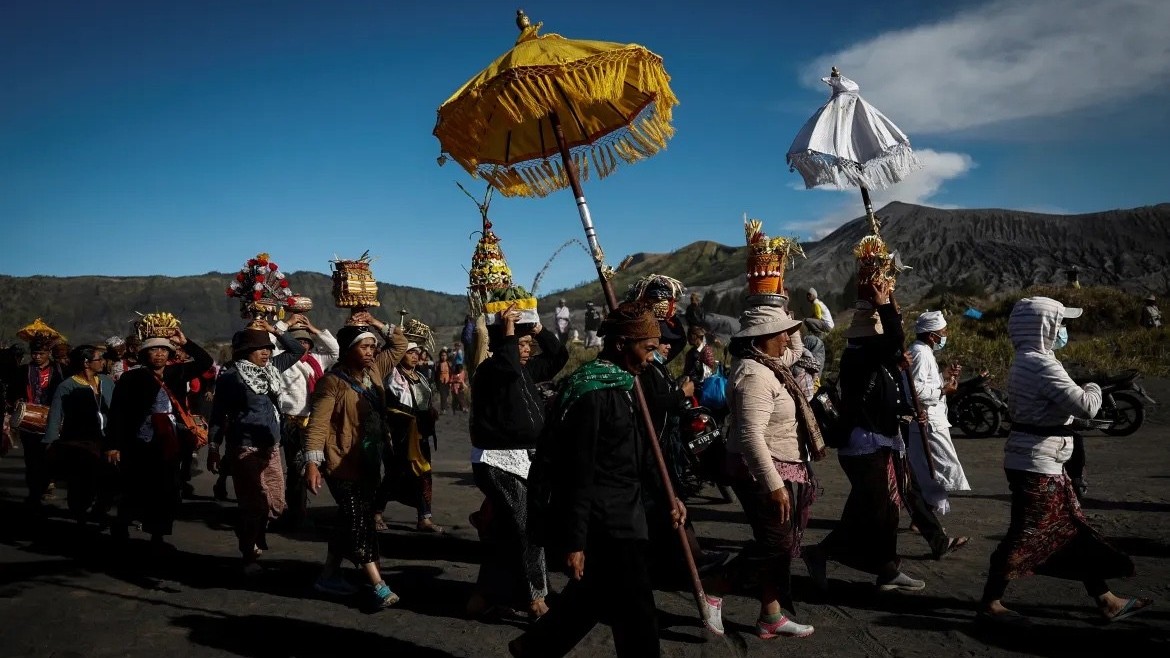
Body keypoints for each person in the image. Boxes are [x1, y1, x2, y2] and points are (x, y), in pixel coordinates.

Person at [510, 301, 686, 658]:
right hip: (606, 522)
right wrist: (576, 543)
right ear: (622, 344)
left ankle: (533, 648)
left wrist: (670, 497)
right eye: (648, 348)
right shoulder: (591, 393)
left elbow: (643, 451)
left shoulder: (628, 384)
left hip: (629, 511)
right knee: (638, 614)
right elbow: (580, 472)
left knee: (594, 598)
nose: (652, 358)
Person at [978, 297, 1152, 625]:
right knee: (1026, 534)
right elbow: (1087, 407)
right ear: (1045, 327)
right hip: (1037, 464)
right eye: (1060, 324)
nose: (1064, 331)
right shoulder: (1041, 364)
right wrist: (1094, 386)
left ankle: (1106, 600)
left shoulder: (1029, 360)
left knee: (1070, 530)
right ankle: (991, 601)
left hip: (1042, 460)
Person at [803, 279, 927, 592]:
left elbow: (887, 393)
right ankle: (821, 553)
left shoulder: (878, 361)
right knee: (871, 510)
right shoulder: (859, 357)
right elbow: (897, 338)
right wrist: (885, 304)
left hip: (881, 440)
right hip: (864, 445)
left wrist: (906, 409)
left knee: (885, 510)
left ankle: (886, 568)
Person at [709, 305, 822, 638]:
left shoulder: (772, 363)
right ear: (762, 338)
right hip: (760, 469)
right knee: (776, 542)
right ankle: (715, 586)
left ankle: (770, 615)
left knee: (777, 542)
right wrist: (774, 484)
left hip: (779, 463)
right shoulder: (754, 374)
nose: (787, 337)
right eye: (781, 331)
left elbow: (797, 350)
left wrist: (785, 312)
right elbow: (750, 435)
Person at [467, 302, 567, 620]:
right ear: (502, 342)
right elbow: (508, 361)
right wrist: (509, 333)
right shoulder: (492, 369)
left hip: (525, 459)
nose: (527, 349)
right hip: (497, 461)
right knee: (528, 527)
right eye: (521, 344)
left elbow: (558, 357)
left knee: (504, 530)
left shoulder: (523, 369)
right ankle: (536, 597)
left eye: (528, 344)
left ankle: (484, 595)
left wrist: (535, 326)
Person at [303, 311, 407, 610]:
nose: (372, 352)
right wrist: (312, 462)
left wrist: (375, 323)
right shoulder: (331, 383)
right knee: (359, 519)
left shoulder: (375, 371)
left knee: (347, 521)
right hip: (340, 462)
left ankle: (328, 576)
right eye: (365, 346)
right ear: (348, 350)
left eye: (374, 346)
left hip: (370, 460)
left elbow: (399, 345)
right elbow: (319, 424)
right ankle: (378, 584)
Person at [206, 320, 305, 574]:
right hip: (244, 447)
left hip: (271, 446)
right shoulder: (232, 377)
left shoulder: (273, 369)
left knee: (276, 503)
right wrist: (214, 446)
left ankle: (255, 532)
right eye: (259, 348)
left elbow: (296, 351)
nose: (266, 352)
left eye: (267, 348)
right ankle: (248, 552)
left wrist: (275, 330)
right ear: (244, 352)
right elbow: (218, 414)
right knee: (254, 503)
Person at [108, 329, 213, 551]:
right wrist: (113, 445)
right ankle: (123, 525)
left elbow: (205, 362)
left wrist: (186, 341)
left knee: (167, 488)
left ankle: (158, 533)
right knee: (135, 485)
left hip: (169, 439)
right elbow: (118, 413)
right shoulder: (131, 378)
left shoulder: (177, 373)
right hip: (138, 440)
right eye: (154, 349)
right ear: (145, 353)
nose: (159, 354)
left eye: (164, 349)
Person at [902, 311, 971, 557]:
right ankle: (927, 522)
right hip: (928, 423)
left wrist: (945, 378)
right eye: (942, 333)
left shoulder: (925, 352)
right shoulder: (920, 353)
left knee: (935, 473)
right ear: (932, 336)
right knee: (939, 472)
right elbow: (915, 389)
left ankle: (923, 519)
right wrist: (943, 390)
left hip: (934, 421)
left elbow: (924, 382)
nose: (944, 337)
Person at [273, 316, 339, 528]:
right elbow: (270, 340)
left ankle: (300, 508)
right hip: (289, 419)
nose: (302, 344)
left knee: (312, 464)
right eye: (298, 341)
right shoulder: (281, 359)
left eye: (306, 341)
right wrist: (286, 325)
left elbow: (335, 350)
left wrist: (313, 328)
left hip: (313, 420)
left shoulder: (317, 360)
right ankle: (293, 509)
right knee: (293, 466)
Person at [43, 345, 116, 523]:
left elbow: (116, 410)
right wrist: (50, 442)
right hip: (78, 443)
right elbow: (55, 414)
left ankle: (100, 509)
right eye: (99, 359)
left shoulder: (107, 382)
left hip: (105, 441)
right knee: (80, 482)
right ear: (86, 363)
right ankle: (79, 515)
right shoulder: (67, 386)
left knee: (108, 479)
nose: (103, 362)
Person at [376, 341, 442, 533]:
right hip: (399, 433)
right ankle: (376, 512)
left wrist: (431, 411)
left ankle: (424, 518)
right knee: (395, 474)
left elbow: (424, 401)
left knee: (424, 474)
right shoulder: (391, 376)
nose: (415, 356)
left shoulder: (420, 376)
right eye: (410, 352)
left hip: (420, 433)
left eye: (417, 352)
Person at [6, 334, 65, 506]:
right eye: (34, 353)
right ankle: (34, 492)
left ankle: (45, 485)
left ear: (49, 353)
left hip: (51, 420)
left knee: (48, 457)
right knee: (31, 459)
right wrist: (16, 400)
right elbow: (13, 392)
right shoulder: (24, 371)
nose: (37, 357)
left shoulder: (58, 370)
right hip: (29, 422)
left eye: (41, 353)